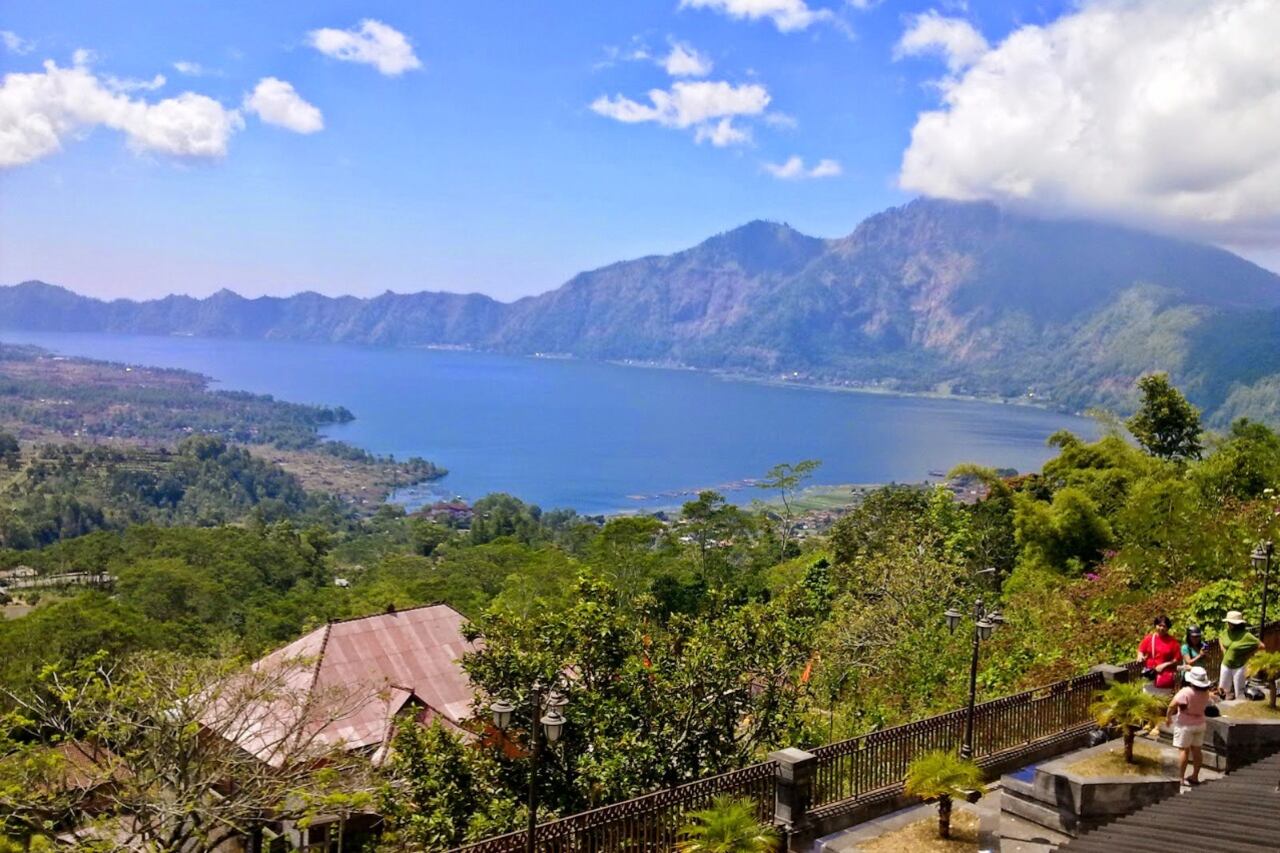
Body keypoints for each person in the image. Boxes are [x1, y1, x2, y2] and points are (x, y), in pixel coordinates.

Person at [1166, 665, 1216, 785]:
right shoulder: (1206, 693)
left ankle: (1181, 778)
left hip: (1185, 724)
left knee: (1184, 751)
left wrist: (1168, 717)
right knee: (1197, 750)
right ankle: (1195, 776)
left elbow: (1172, 705)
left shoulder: (1186, 692)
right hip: (1200, 723)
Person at [1218, 611, 1264, 700]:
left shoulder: (1246, 635)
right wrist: (1223, 649)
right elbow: (1220, 637)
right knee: (1223, 690)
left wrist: (1249, 655)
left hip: (1238, 667)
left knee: (1239, 692)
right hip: (1226, 665)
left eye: (1229, 623)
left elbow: (1261, 646)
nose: (1228, 624)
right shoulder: (1226, 632)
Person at [1138, 615, 1181, 694]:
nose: (1161, 628)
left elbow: (1177, 659)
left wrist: (1165, 665)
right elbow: (1141, 650)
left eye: (1164, 626)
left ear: (1168, 628)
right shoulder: (1149, 638)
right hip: (1150, 674)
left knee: (1163, 700)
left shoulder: (1173, 642)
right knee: (1148, 699)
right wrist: (1140, 656)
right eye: (1159, 625)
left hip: (1164, 676)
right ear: (1155, 626)